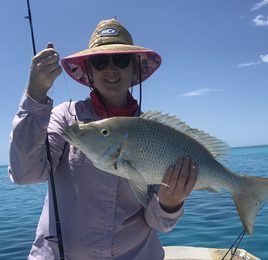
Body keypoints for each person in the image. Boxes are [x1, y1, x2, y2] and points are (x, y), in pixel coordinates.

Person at [9, 19, 197, 260]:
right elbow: (26, 174)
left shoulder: (154, 134)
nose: (111, 69)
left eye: (121, 60)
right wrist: (35, 94)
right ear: (89, 70)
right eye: (100, 62)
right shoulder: (68, 119)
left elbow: (159, 223)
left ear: (134, 69)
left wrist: (171, 202)